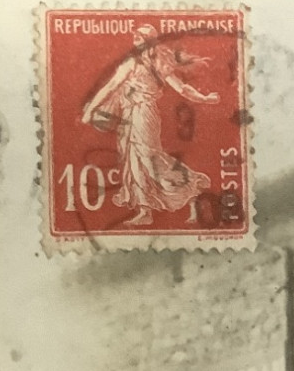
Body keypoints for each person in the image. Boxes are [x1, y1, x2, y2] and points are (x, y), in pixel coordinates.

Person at [79, 25, 220, 225]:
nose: (135, 41)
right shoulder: (131, 63)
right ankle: (145, 211)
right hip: (129, 115)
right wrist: (90, 110)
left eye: (139, 38)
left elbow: (181, 88)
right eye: (135, 37)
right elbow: (111, 87)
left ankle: (190, 185)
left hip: (144, 113)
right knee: (133, 159)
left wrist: (204, 98)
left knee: (148, 157)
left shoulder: (158, 63)